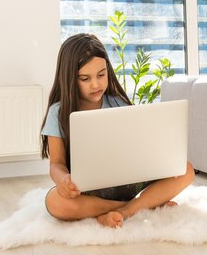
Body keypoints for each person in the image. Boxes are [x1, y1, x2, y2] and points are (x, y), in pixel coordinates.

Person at [40, 33, 194, 228]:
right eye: (85, 78)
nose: (95, 84)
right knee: (55, 202)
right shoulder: (58, 112)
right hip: (89, 190)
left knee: (186, 170)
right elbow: (56, 163)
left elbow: (137, 144)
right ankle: (140, 205)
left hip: (128, 181)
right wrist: (63, 180)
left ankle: (125, 210)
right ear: (69, 78)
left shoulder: (117, 102)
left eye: (101, 75)